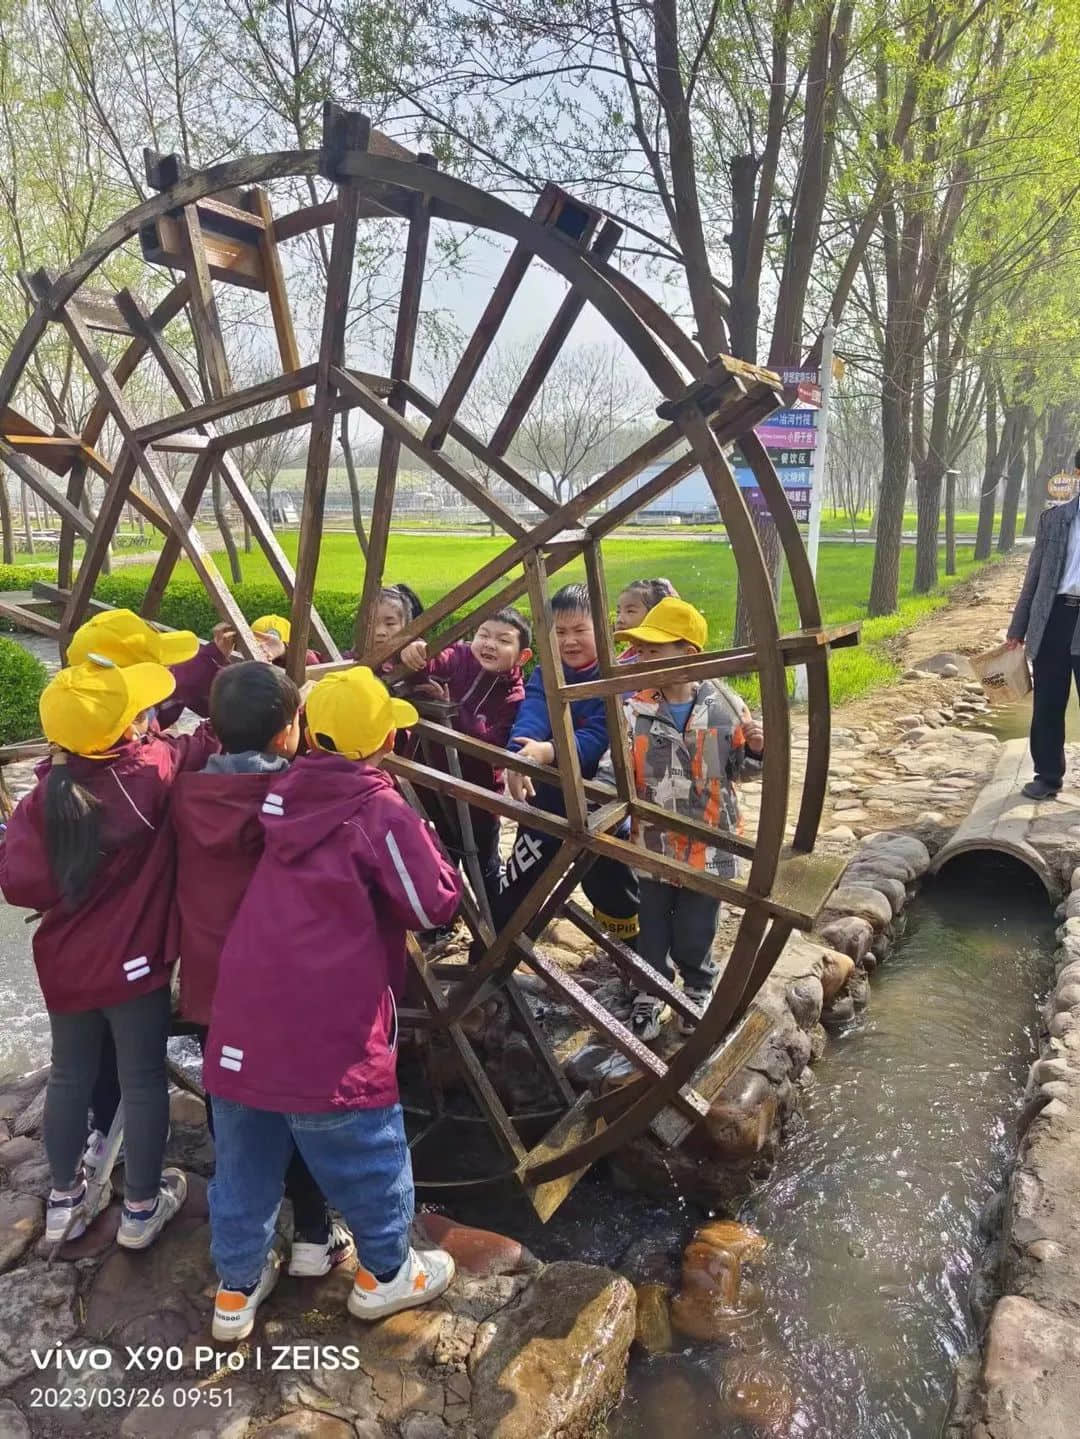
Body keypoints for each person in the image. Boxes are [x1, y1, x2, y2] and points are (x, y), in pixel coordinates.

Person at [203, 666, 461, 1341]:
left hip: (242, 1017)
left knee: (244, 1161)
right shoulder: (378, 809)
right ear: (381, 741)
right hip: (327, 1027)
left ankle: (234, 1291)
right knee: (366, 1147)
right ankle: (385, 1272)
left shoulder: (281, 789)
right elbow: (433, 900)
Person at [0, 656, 217, 1247]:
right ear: (128, 727)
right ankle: (143, 1206)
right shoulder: (150, 772)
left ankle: (64, 1197)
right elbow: (203, 741)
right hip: (135, 965)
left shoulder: (43, 795)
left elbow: (19, 884)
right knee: (142, 1080)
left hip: (65, 962)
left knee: (70, 1074)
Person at [171, 662, 353, 1278]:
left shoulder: (183, 793)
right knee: (298, 1105)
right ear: (288, 733)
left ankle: (241, 1261)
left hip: (212, 990)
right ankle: (311, 1232)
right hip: (283, 991)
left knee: (234, 1112)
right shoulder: (298, 799)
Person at [64, 608, 230, 1167]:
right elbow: (188, 749)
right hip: (141, 937)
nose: (169, 678)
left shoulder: (60, 768)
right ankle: (142, 1179)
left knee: (89, 1052)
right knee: (137, 1058)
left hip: (74, 945)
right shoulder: (148, 769)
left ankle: (98, 1145)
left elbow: (18, 877)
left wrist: (215, 658)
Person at [615, 597, 764, 1041]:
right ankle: (650, 991)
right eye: (640, 651)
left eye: (653, 651)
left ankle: (697, 987)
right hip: (655, 843)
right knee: (654, 926)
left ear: (689, 655)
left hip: (710, 844)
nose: (642, 659)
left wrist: (756, 750)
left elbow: (744, 771)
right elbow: (617, 768)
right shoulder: (635, 710)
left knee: (696, 928)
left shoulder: (725, 708)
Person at [494, 583, 639, 946]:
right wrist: (520, 753)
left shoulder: (615, 677)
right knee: (520, 879)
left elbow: (600, 736)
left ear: (602, 630)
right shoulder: (548, 672)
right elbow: (534, 712)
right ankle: (492, 954)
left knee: (613, 890)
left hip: (601, 804)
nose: (569, 641)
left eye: (579, 631)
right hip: (549, 800)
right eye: (560, 632)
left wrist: (551, 751)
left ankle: (636, 962)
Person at [399, 608, 532, 908]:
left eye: (502, 640)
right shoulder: (460, 657)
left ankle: (492, 924)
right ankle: (439, 918)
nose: (489, 644)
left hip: (476, 797)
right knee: (432, 856)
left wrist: (451, 709)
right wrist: (418, 651)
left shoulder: (514, 697)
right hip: (427, 782)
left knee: (482, 864)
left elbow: (491, 744)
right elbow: (436, 660)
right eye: (483, 635)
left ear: (523, 656)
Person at [1007, 457, 1080, 799]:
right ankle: (1047, 776)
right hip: (1053, 618)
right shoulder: (1054, 520)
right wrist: (1017, 627)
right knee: (1048, 702)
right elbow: (1033, 577)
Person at [614, 579, 678, 663]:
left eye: (630, 611)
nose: (619, 619)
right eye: (618, 612)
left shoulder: (660, 655)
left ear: (653, 613)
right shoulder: (625, 656)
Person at [250, 614, 321, 670]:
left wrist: (284, 650)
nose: (265, 650)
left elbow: (314, 667)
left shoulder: (307, 657)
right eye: (260, 646)